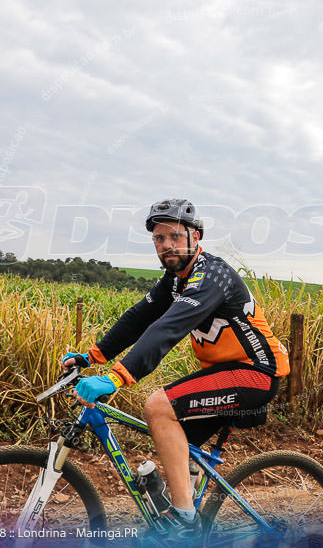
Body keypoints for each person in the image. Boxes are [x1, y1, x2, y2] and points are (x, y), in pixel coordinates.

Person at [61, 198, 289, 538]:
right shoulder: (173, 279)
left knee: (158, 405)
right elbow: (140, 318)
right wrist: (92, 357)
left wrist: (117, 377)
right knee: (174, 445)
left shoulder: (212, 275)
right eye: (158, 239)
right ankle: (189, 518)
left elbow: (167, 328)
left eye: (174, 236)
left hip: (255, 373)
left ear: (195, 237)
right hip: (224, 372)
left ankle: (184, 520)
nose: (166, 245)